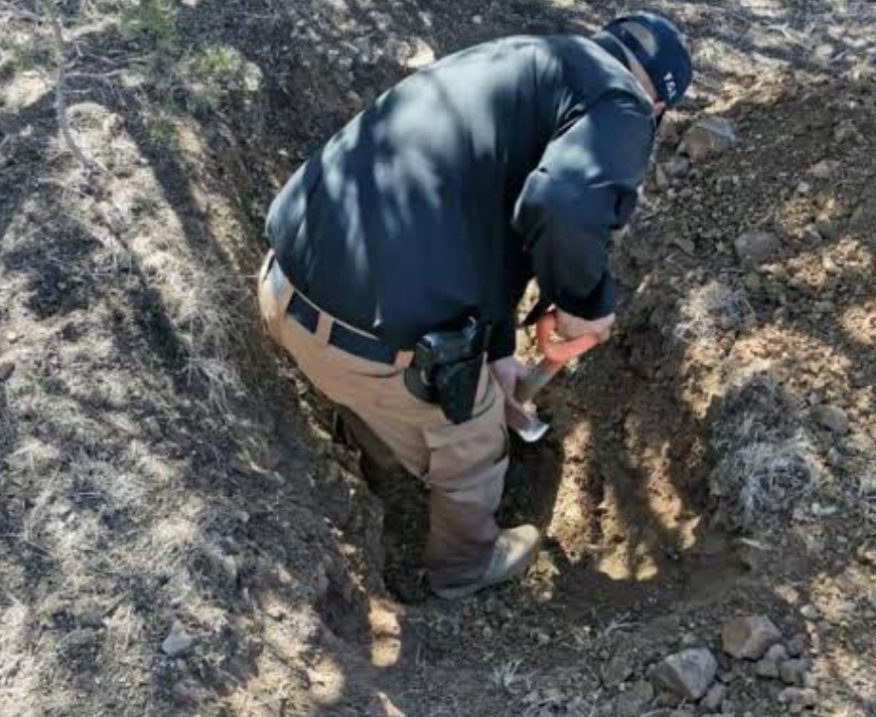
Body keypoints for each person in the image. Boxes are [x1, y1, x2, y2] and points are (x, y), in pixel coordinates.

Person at [257, 12, 693, 599]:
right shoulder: (624, 105)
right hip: (363, 340)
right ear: (659, 107)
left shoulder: (524, 62)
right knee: (477, 448)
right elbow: (563, 205)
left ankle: (378, 451)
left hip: (283, 287)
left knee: (421, 395)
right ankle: (461, 572)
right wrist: (581, 302)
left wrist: (498, 352)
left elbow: (478, 226)